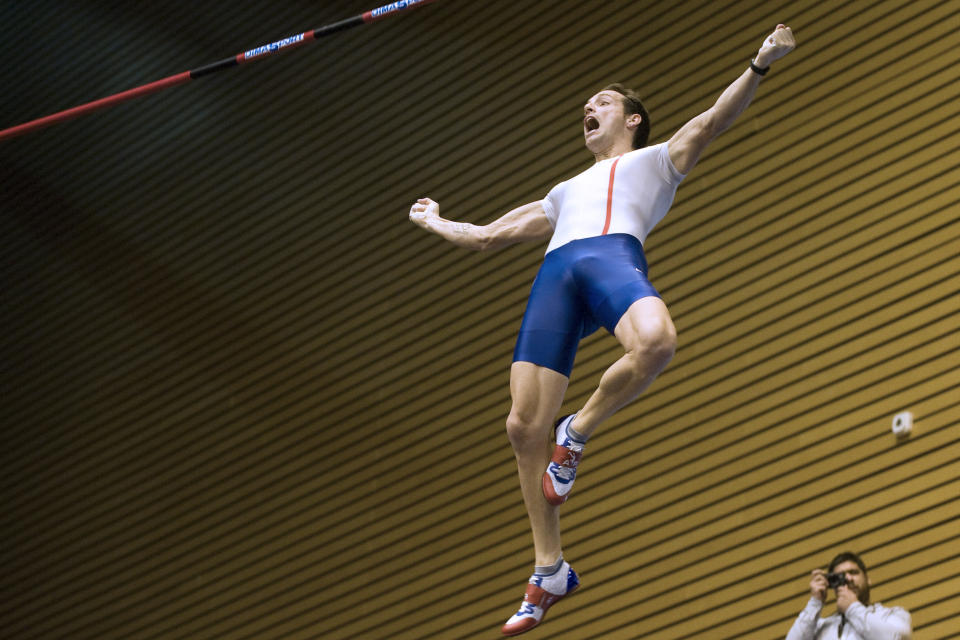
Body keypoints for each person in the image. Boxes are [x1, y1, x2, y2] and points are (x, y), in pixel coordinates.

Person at [409, 25, 796, 636]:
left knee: (658, 341)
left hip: (612, 260)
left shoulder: (657, 161)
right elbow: (487, 235)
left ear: (634, 119)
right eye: (586, 105)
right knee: (520, 426)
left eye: (604, 102)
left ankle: (579, 430)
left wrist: (760, 63)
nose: (589, 108)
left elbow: (715, 119)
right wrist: (436, 221)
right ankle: (548, 568)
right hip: (556, 278)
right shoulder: (562, 193)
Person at [786, 551, 912, 639]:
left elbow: (897, 637)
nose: (848, 578)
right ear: (833, 585)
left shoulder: (891, 615)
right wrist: (815, 603)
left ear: (868, 579)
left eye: (853, 572)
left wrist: (852, 607)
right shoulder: (820, 627)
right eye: (840, 576)